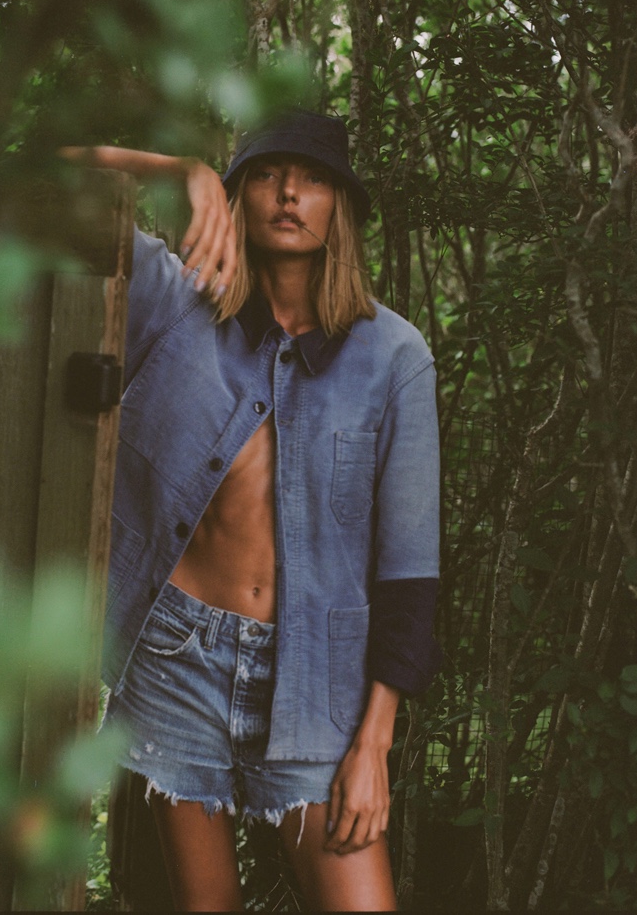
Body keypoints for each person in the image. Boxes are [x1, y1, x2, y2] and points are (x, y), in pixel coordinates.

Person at [60, 109, 441, 912]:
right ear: (237, 196)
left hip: (318, 683)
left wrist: (375, 743)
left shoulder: (396, 357)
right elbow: (47, 175)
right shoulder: (174, 301)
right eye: (267, 174)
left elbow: (409, 573)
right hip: (175, 654)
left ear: (340, 206)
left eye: (312, 179)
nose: (290, 192)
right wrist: (179, 169)